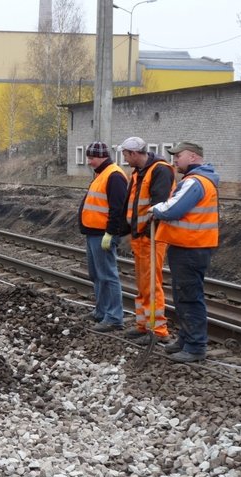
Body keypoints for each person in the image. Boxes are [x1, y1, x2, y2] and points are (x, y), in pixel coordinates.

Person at [149, 141, 219, 363]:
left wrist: (155, 209)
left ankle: (196, 346)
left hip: (192, 247)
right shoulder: (197, 180)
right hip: (189, 246)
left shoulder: (195, 182)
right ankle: (185, 339)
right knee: (182, 295)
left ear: (193, 156)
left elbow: (174, 209)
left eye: (178, 156)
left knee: (189, 297)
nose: (175, 160)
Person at [119, 136, 176, 345]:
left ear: (134, 154)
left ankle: (158, 329)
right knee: (143, 283)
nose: (124, 159)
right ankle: (143, 325)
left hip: (153, 236)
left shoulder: (160, 170)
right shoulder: (138, 173)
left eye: (125, 154)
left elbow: (158, 205)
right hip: (141, 235)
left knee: (152, 283)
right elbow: (133, 204)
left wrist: (144, 231)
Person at [78, 142, 128, 332]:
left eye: (91, 158)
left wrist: (111, 232)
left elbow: (118, 208)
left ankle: (114, 317)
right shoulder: (102, 174)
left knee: (108, 275)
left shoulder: (114, 176)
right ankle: (101, 312)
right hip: (93, 233)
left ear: (102, 156)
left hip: (102, 234)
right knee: (97, 275)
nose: (89, 162)